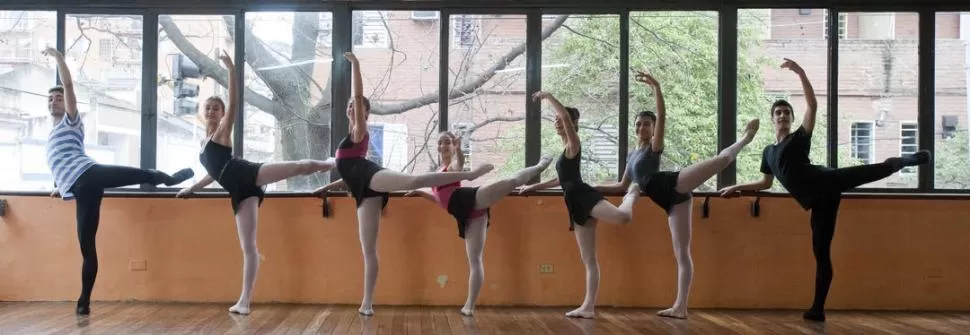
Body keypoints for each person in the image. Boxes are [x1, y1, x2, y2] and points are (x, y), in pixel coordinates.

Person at [718, 58, 932, 322]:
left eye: (786, 112)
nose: (783, 115)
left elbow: (813, 106)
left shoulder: (799, 138)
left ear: (792, 119)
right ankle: (817, 309)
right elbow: (765, 184)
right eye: (778, 113)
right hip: (819, 202)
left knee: (870, 172)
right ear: (773, 120)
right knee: (821, 253)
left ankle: (907, 160)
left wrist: (801, 72)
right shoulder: (768, 152)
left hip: (827, 180)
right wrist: (736, 187)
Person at [312, 52, 494, 316]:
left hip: (372, 176)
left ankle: (469, 175)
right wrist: (324, 189)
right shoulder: (348, 138)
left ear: (365, 112)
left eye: (356, 106)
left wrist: (357, 66)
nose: (352, 108)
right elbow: (349, 176)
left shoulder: (359, 130)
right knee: (368, 249)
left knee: (414, 180)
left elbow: (359, 97)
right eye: (349, 106)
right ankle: (367, 304)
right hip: (363, 192)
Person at [175, 52, 336, 315]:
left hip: (248, 173)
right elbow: (213, 174)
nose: (211, 111)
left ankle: (329, 163)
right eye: (208, 108)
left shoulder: (222, 132)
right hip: (239, 192)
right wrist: (191, 189)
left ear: (222, 114)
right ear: (203, 112)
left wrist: (231, 69)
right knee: (249, 248)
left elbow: (234, 102)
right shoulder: (203, 143)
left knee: (295, 167)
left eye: (216, 108)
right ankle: (244, 302)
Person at [593, 71, 760, 319]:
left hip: (675, 183)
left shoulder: (653, 147)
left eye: (646, 124)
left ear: (652, 129)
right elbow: (620, 186)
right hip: (670, 202)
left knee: (720, 160)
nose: (641, 127)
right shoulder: (631, 156)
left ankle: (746, 137)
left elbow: (662, 116)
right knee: (681, 253)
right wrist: (592, 187)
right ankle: (680, 307)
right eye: (638, 124)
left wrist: (657, 87)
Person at [42, 47, 195, 315]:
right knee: (86, 247)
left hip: (89, 173)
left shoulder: (70, 122)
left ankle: (171, 179)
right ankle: (84, 302)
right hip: (80, 189)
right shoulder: (51, 137)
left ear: (66, 103)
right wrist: (60, 186)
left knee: (140, 174)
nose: (54, 102)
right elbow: (60, 164)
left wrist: (57, 57)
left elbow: (68, 84)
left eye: (58, 98)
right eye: (51, 99)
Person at [518, 91, 641, 319]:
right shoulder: (564, 151)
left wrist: (549, 96)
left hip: (584, 196)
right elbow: (560, 180)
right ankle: (588, 307)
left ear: (573, 124)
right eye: (555, 120)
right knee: (589, 258)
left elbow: (565, 117)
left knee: (623, 218)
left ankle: (631, 194)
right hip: (574, 204)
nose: (558, 122)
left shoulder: (574, 144)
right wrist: (532, 187)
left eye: (561, 119)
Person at [404, 131, 552, 316]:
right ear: (437, 146)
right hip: (469, 216)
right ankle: (470, 306)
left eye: (447, 142)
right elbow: (440, 199)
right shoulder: (438, 172)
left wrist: (459, 150)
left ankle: (540, 165)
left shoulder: (452, 167)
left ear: (452, 145)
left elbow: (460, 165)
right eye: (440, 142)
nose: (443, 145)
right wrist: (419, 192)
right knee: (475, 260)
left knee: (511, 181)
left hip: (475, 198)